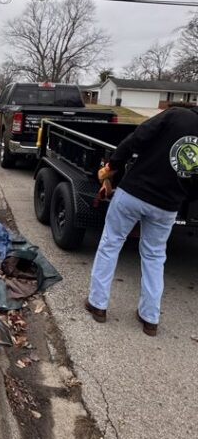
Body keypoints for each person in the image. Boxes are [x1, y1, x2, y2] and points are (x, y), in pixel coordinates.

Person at [85, 104, 198, 336]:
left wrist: (113, 165)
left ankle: (98, 305)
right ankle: (150, 319)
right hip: (167, 206)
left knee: (111, 244)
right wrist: (181, 195)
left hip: (134, 193)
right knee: (155, 256)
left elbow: (137, 137)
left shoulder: (176, 115)